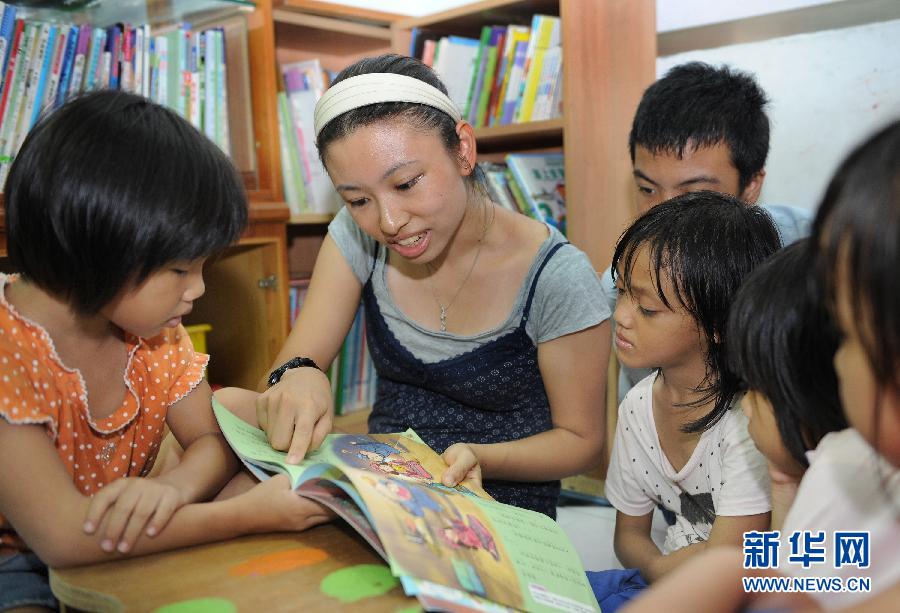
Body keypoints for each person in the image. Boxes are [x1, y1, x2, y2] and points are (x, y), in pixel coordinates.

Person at [0, 90, 329, 611]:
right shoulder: (7, 351)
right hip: (20, 558)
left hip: (130, 531)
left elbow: (212, 439)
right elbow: (62, 538)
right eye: (179, 268)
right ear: (96, 244)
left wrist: (172, 489)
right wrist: (249, 516)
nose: (196, 289)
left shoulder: (155, 331)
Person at [255, 54, 608, 518]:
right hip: (383, 500)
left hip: (500, 512)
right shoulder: (357, 236)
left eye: (405, 183)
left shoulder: (557, 277)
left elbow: (583, 444)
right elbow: (282, 378)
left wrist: (481, 456)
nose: (388, 221)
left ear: (463, 149)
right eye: (358, 199)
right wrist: (299, 374)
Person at [619, 120, 900, 613]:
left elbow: (780, 579)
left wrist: (731, 568)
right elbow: (790, 583)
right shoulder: (840, 470)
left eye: (849, 336)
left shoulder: (843, 469)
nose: (746, 398)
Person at [587, 192, 781, 611]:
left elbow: (727, 570)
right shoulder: (637, 408)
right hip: (668, 576)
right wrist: (658, 570)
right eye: (621, 293)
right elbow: (629, 537)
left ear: (719, 323)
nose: (621, 315)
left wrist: (664, 575)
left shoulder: (751, 425)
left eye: (648, 309)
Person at [604, 62, 813, 402]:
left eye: (694, 194)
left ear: (751, 186)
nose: (665, 215)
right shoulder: (630, 289)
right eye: (646, 189)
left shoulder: (821, 259)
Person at [726, 239, 847, 530]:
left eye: (758, 389)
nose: (746, 405)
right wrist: (783, 480)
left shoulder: (845, 491)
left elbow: (782, 576)